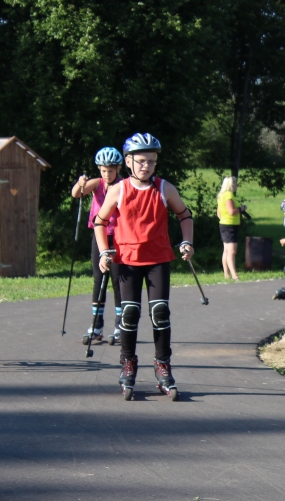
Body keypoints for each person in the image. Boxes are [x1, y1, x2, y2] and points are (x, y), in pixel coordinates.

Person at [93, 133, 195, 401]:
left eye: (151, 161)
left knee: (160, 312)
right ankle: (128, 364)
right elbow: (100, 222)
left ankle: (163, 366)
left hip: (158, 259)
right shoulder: (119, 189)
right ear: (128, 161)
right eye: (140, 161)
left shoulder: (164, 188)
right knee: (129, 314)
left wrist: (187, 242)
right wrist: (104, 251)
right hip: (125, 261)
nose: (146, 166)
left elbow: (184, 215)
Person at [71, 147, 124, 344]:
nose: (107, 174)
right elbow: (76, 194)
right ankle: (96, 324)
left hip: (119, 236)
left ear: (118, 169)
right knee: (98, 279)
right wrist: (80, 183)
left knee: (118, 280)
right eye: (103, 170)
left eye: (110, 170)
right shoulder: (97, 184)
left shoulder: (123, 185)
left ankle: (120, 325)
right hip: (99, 235)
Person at [217, 176, 243, 282]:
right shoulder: (228, 195)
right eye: (235, 183)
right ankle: (234, 275)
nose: (236, 186)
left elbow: (218, 213)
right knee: (232, 251)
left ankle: (227, 274)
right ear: (231, 185)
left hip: (224, 224)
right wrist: (241, 209)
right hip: (230, 226)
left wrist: (223, 219)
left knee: (226, 250)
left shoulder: (221, 195)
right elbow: (232, 211)